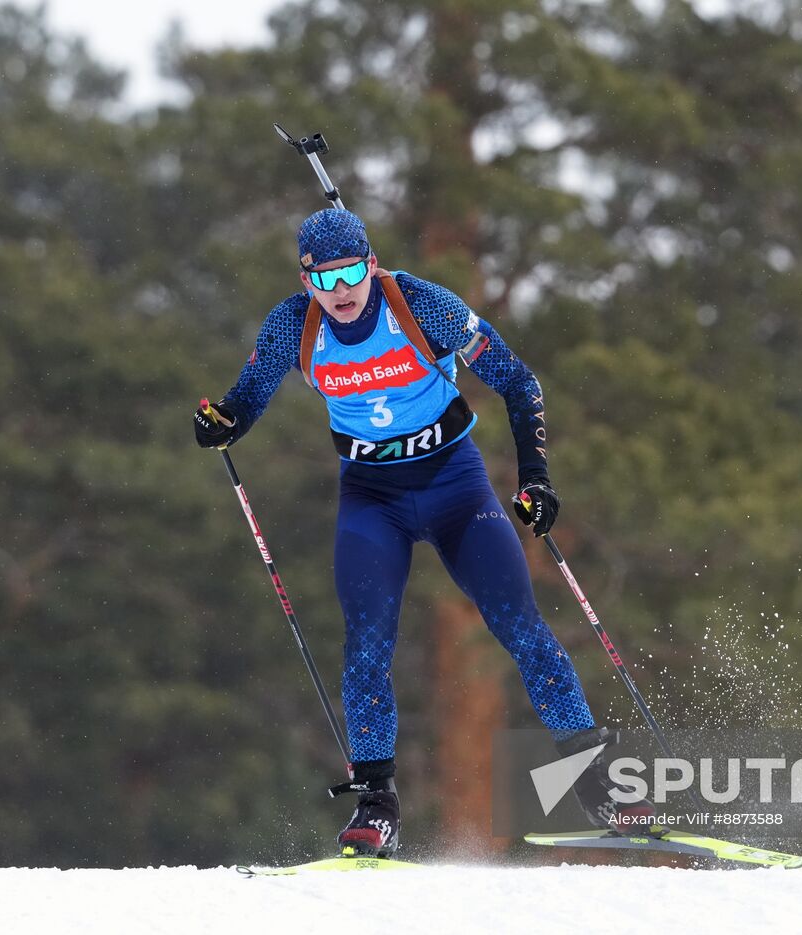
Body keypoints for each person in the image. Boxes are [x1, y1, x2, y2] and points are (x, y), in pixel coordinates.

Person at [195, 208, 654, 857]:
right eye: (324, 279)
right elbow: (244, 401)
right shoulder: (293, 327)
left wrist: (536, 478)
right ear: (306, 282)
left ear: (372, 264)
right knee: (367, 643)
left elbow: (517, 380)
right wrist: (220, 422)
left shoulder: (422, 306)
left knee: (521, 626)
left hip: (455, 486)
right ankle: (376, 807)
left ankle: (597, 783)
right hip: (371, 497)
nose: (340, 290)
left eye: (351, 273)